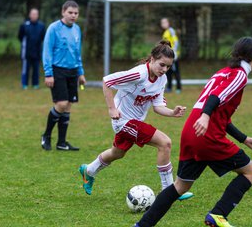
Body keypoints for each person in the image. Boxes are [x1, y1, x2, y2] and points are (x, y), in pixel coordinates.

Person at [135, 37, 252, 227]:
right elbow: (215, 97)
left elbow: (221, 115)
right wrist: (206, 116)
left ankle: (142, 225)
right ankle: (218, 214)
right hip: (207, 134)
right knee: (250, 173)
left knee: (180, 186)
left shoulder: (222, 72)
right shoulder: (240, 75)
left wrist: (244, 139)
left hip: (191, 131)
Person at [78, 40, 193, 201]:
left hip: (134, 121)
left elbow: (158, 106)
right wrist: (111, 108)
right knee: (165, 143)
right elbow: (107, 81)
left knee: (117, 152)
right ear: (152, 59)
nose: (164, 69)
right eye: (161, 65)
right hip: (123, 120)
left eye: (168, 66)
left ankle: (88, 171)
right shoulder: (139, 74)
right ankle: (169, 191)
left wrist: (172, 112)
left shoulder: (162, 79)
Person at [41, 0, 86, 151]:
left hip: (73, 71)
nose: (73, 16)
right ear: (63, 12)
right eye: (70, 13)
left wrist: (81, 72)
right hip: (57, 70)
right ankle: (46, 136)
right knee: (61, 104)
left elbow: (77, 53)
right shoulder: (53, 28)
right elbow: (47, 51)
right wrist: (48, 73)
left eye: (76, 13)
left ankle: (61, 142)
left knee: (67, 106)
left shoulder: (77, 29)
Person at [18, 8, 45, 90]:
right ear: (29, 15)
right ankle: (24, 84)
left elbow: (43, 37)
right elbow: (20, 37)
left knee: (36, 70)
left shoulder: (41, 26)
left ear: (38, 15)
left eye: (36, 14)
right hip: (26, 52)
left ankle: (35, 84)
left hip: (37, 52)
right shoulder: (24, 25)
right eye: (32, 14)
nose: (34, 16)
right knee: (25, 69)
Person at [161, 18, 181, 94]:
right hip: (167, 55)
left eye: (164, 22)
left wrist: (173, 52)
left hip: (173, 56)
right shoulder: (165, 32)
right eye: (162, 23)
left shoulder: (171, 30)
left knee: (176, 72)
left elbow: (176, 41)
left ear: (168, 23)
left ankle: (178, 88)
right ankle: (169, 87)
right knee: (168, 72)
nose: (163, 24)